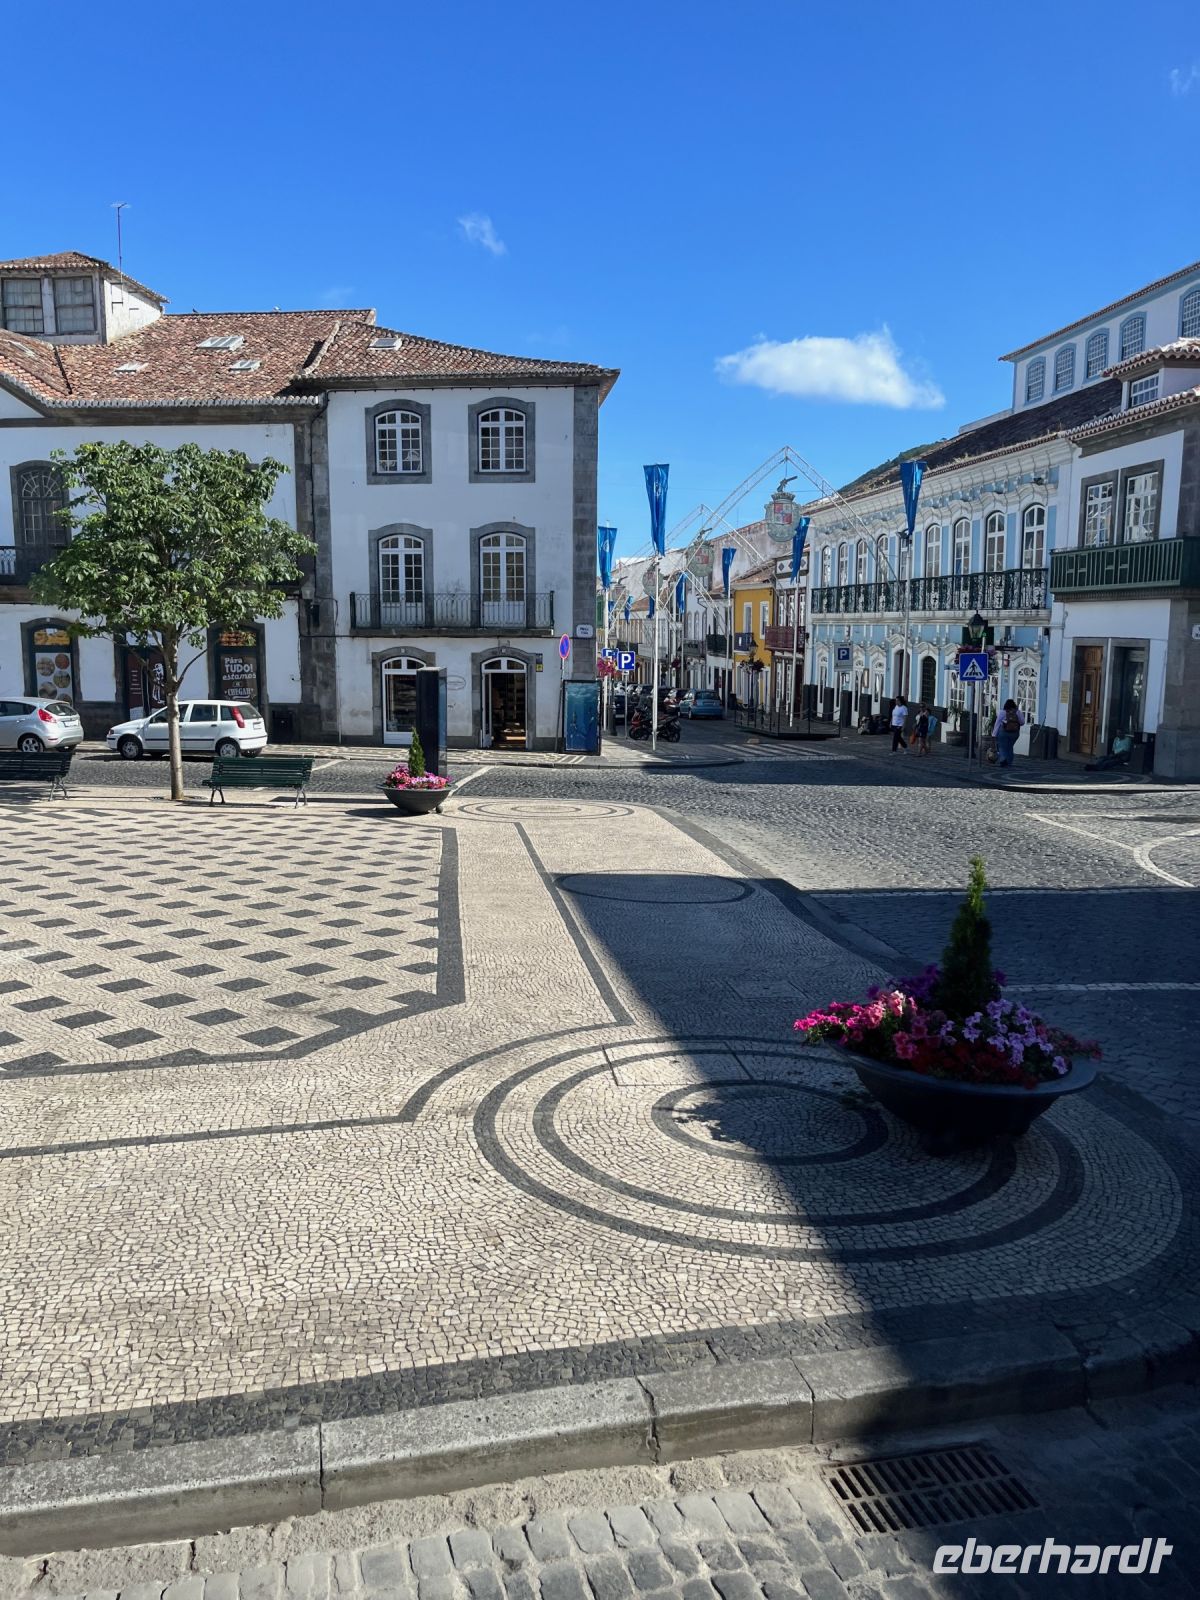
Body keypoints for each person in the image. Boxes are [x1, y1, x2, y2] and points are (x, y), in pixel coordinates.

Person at [992, 697, 1025, 768]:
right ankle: (1009, 762)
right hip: (1015, 733)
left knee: (1002, 747)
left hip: (1003, 732)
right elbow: (1022, 722)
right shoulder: (1018, 712)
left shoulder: (1002, 712)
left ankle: (1003, 760)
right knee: (1010, 747)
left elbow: (997, 723)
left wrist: (994, 734)